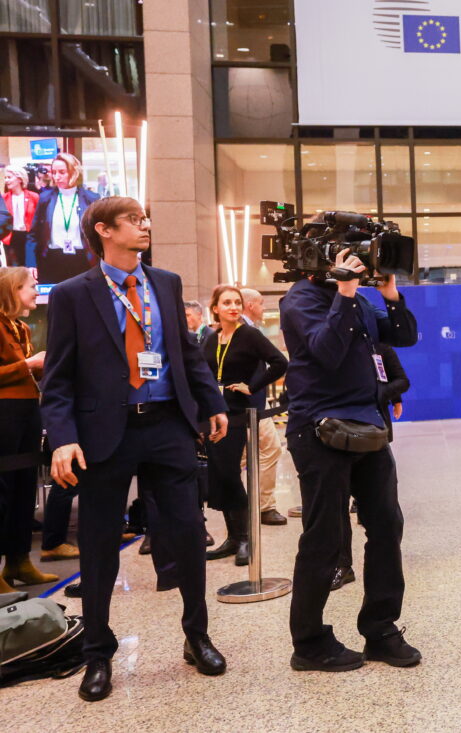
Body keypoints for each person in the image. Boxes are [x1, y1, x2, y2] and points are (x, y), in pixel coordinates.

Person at [40, 196, 230, 702]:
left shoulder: (165, 283)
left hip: (168, 424)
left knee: (188, 534)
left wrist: (212, 402)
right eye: (133, 220)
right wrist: (63, 437)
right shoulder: (72, 294)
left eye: (145, 219)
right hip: (105, 432)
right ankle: (97, 653)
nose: (145, 226)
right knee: (100, 544)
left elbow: (185, 353)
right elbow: (57, 378)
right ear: (104, 230)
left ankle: (197, 636)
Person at [280, 248, 419, 673]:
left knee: (387, 525)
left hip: (367, 425)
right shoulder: (300, 299)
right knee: (325, 536)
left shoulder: (359, 299)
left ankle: (380, 629)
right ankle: (308, 643)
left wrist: (391, 296)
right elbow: (326, 351)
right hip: (317, 429)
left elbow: (403, 336)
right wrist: (343, 293)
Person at [202, 285, 287, 565]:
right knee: (219, 475)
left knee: (229, 473)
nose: (233, 307)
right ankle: (233, 537)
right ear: (215, 308)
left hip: (238, 413)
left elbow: (279, 362)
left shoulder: (249, 335)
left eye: (237, 302)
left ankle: (246, 539)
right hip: (213, 413)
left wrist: (252, 386)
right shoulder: (211, 338)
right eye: (226, 302)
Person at [0, 267, 58, 593]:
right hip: (4, 413)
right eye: (31, 286)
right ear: (13, 290)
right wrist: (28, 364)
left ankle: (19, 561)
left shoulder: (20, 327)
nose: (37, 291)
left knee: (24, 488)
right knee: (3, 491)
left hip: (27, 410)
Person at [333, 343, 408, 591]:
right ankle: (342, 565)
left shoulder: (379, 347)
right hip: (335, 434)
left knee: (385, 509)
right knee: (337, 504)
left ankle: (385, 561)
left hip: (374, 432)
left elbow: (400, 380)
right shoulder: (330, 345)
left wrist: (383, 394)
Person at [239, 287, 287, 526]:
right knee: (270, 449)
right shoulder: (245, 330)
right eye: (259, 303)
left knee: (245, 455)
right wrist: (253, 387)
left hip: (254, 401)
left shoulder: (247, 329)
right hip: (249, 404)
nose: (262, 307)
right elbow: (279, 362)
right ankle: (262, 506)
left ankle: (249, 505)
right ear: (249, 305)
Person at [26, 153, 100, 284]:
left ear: (74, 172)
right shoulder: (45, 198)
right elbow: (33, 235)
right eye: (54, 172)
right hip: (52, 260)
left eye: (62, 172)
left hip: (83, 260)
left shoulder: (92, 199)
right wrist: (31, 264)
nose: (57, 177)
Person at [3, 167, 38, 267]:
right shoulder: (4, 198)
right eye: (5, 178)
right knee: (14, 268)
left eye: (9, 177)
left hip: (28, 237)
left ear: (19, 179)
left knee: (30, 266)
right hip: (11, 238)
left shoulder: (34, 197)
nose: (6, 180)